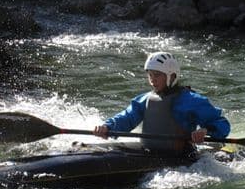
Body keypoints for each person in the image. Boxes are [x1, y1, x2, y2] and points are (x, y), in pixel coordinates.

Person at [93, 52, 230, 155]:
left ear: (172, 76)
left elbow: (222, 124)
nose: (152, 80)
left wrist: (205, 130)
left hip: (179, 156)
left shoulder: (192, 100)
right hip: (148, 151)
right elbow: (127, 118)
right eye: (150, 75)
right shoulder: (145, 99)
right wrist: (107, 127)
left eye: (157, 75)